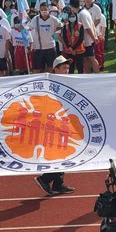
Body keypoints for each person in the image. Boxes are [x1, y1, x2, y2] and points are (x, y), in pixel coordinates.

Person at [34, 55, 76, 196]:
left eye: (68, 68)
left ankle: (58, 184)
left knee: (64, 152)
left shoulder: (68, 82)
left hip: (64, 123)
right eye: (64, 68)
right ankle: (45, 178)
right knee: (59, 153)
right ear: (55, 69)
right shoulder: (50, 84)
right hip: (53, 124)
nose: (67, 71)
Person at [30, 2, 62, 73]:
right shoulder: (36, 19)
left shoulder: (53, 19)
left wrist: (55, 32)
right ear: (39, 10)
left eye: (45, 9)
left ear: (48, 9)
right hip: (39, 48)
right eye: (42, 9)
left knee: (51, 68)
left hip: (50, 47)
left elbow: (60, 26)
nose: (44, 11)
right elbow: (30, 28)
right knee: (37, 69)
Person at [70, 0, 99, 73]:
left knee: (92, 58)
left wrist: (94, 38)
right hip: (84, 41)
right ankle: (87, 75)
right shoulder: (82, 12)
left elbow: (88, 27)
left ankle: (97, 74)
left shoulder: (82, 14)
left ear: (72, 6)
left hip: (88, 40)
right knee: (85, 59)